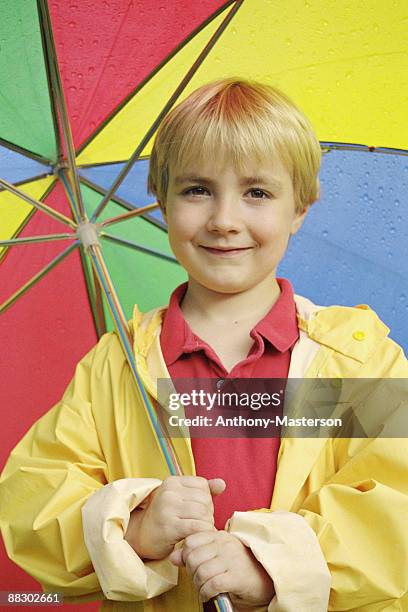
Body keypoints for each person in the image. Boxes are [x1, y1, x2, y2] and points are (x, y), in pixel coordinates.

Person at [1, 79, 408, 612]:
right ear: (163, 202)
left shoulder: (354, 359)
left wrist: (269, 566)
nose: (224, 220)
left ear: (301, 207)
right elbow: (34, 501)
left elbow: (394, 506)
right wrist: (137, 525)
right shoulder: (117, 366)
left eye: (257, 193)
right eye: (197, 190)